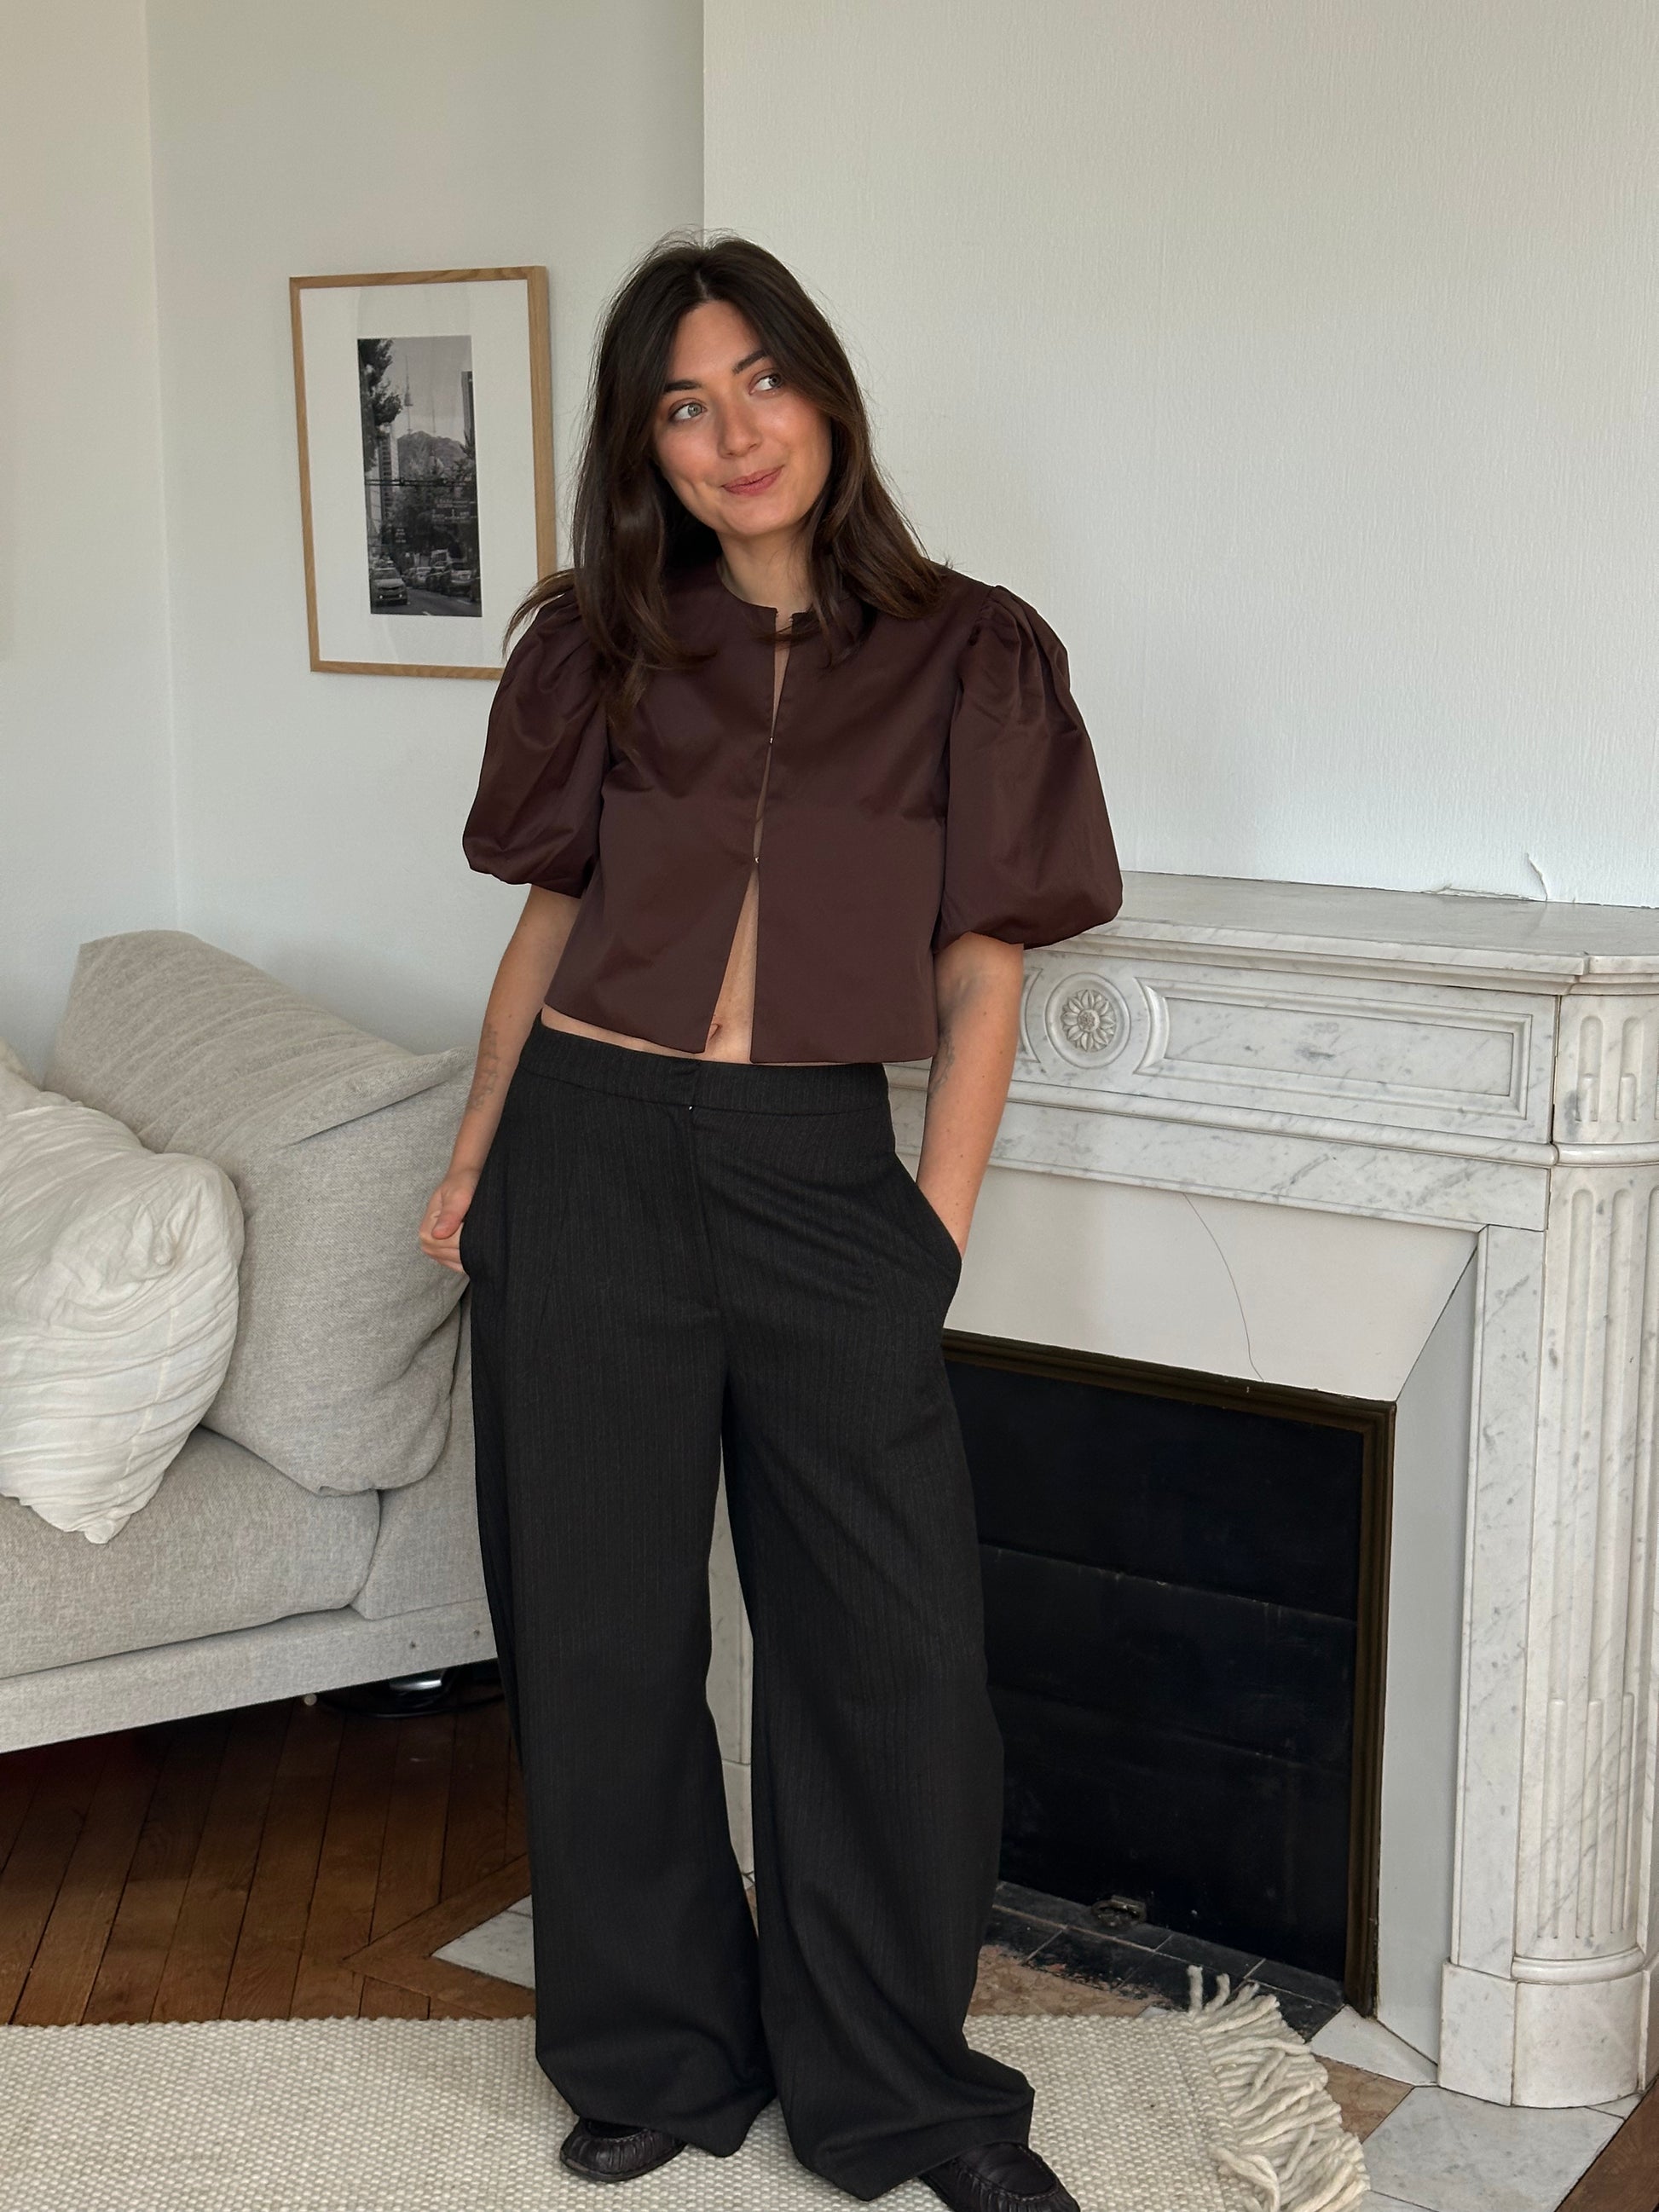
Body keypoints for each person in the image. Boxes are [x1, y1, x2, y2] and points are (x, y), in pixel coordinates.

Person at [420, 232, 1123, 2212]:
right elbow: (548, 922)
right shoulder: (601, 641)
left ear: (824, 393)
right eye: (684, 403)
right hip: (585, 1155)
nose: (734, 433)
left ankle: (900, 2091)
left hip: (824, 1175)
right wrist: (474, 1157)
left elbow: (983, 970)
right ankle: (656, 2049)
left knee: (892, 1659)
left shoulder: (972, 652)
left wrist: (932, 1229)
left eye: (761, 381)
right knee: (600, 1635)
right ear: (644, 443)